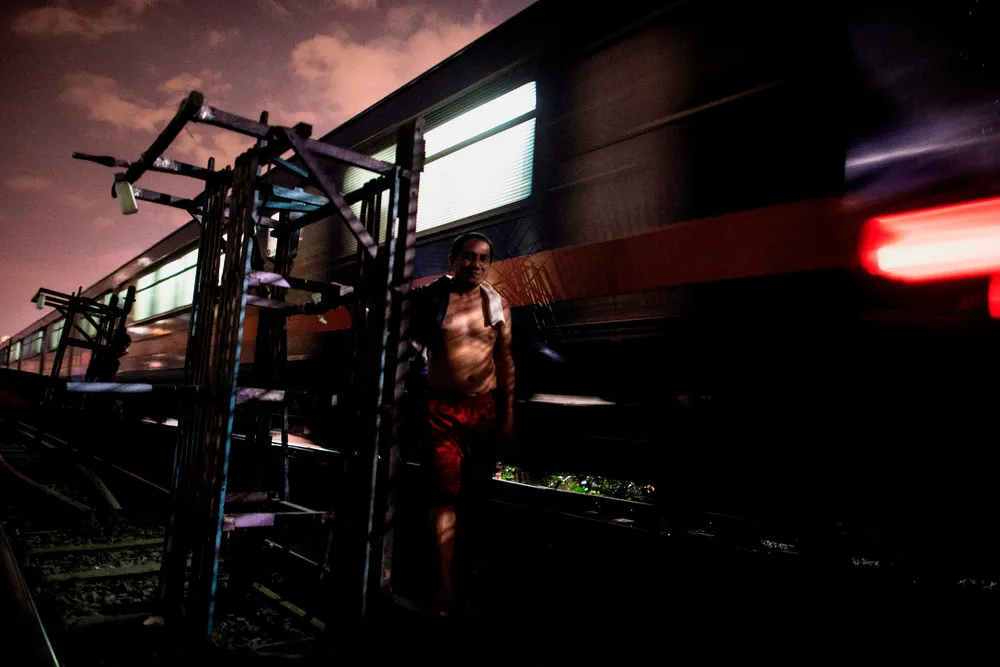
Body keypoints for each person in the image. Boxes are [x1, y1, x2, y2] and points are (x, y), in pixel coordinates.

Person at [409, 231, 515, 617]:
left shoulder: (496, 303)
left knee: (473, 500)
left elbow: (505, 360)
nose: (476, 264)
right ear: (452, 261)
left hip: (483, 411)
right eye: (468, 256)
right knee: (444, 497)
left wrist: (508, 415)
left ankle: (463, 583)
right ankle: (442, 589)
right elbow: (403, 337)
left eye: (484, 258)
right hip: (442, 411)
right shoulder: (434, 300)